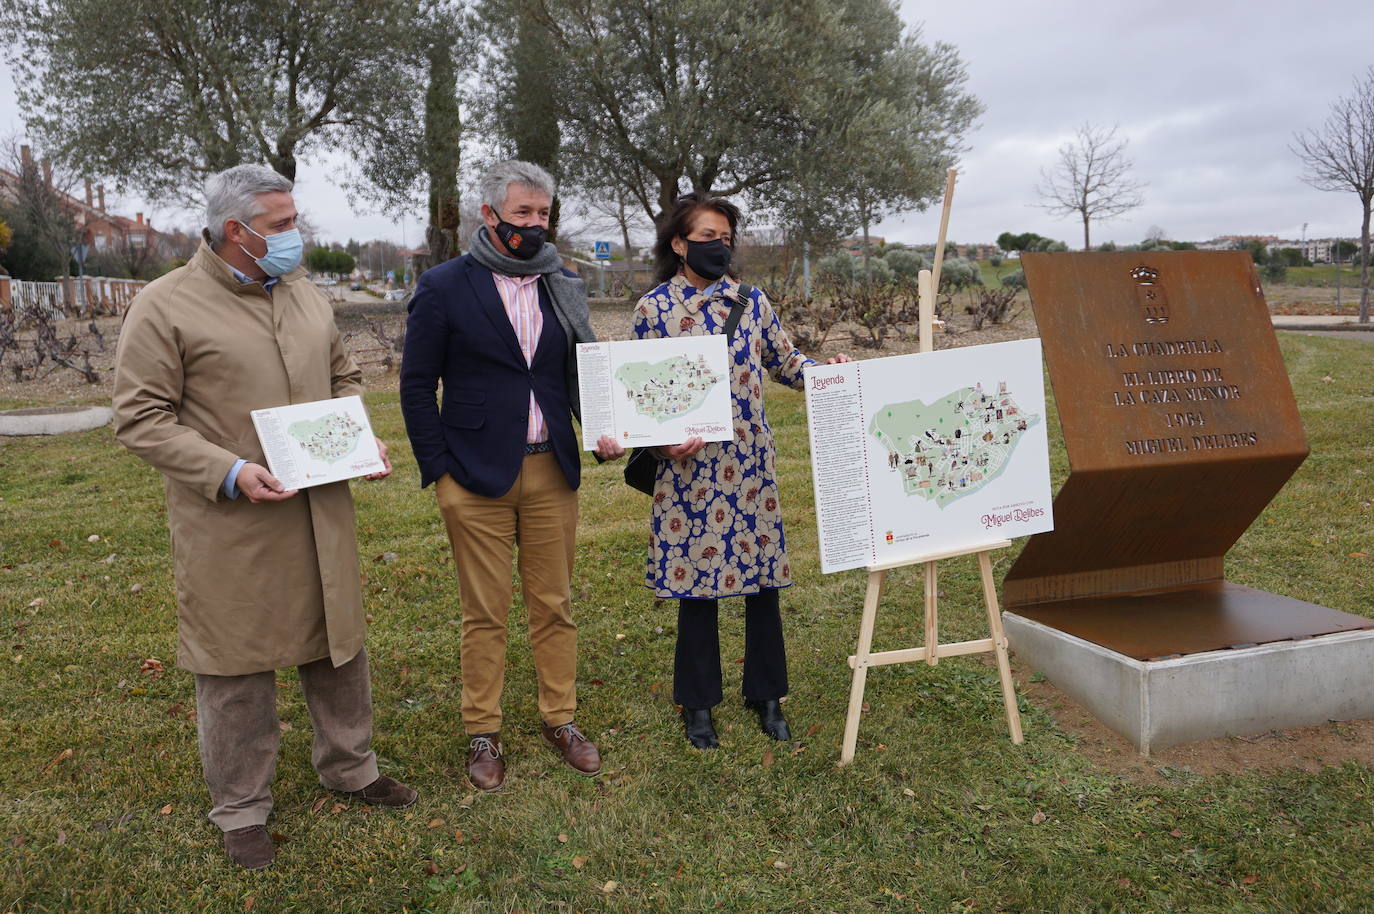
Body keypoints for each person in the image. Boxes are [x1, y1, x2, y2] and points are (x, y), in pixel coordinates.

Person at [112, 164, 416, 871]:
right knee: (235, 662)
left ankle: (351, 766)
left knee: (336, 641)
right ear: (235, 232)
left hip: (320, 504)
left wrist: (357, 435)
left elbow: (341, 377)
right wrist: (227, 471)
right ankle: (242, 806)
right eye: (281, 226)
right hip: (233, 520)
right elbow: (139, 417)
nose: (295, 236)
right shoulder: (166, 306)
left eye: (293, 220)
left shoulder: (306, 295)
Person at [400, 160, 624, 792]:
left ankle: (561, 719)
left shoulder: (564, 282)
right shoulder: (445, 285)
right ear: (489, 214)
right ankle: (483, 731)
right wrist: (439, 470)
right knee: (485, 611)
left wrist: (607, 429)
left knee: (554, 604)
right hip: (474, 477)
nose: (533, 225)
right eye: (521, 213)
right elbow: (418, 386)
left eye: (542, 214)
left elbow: (579, 371)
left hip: (550, 467)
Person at [634, 192, 850, 749]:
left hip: (750, 468)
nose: (719, 246)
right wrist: (660, 446)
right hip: (687, 473)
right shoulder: (653, 309)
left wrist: (829, 373)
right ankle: (699, 703)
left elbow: (786, 361)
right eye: (707, 237)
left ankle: (767, 694)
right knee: (696, 590)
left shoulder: (752, 302)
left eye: (726, 238)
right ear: (679, 244)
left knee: (762, 585)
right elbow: (638, 395)